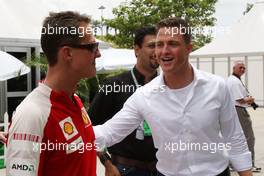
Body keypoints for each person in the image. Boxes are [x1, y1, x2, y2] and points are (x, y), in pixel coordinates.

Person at [94, 17, 253, 176]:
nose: (164, 51)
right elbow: (108, 133)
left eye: (173, 44)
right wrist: (72, 138)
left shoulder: (217, 86)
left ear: (189, 48)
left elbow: (234, 138)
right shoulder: (144, 96)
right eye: (159, 44)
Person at [6, 11, 101, 176]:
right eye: (92, 47)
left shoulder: (75, 100)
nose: (98, 53)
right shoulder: (33, 114)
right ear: (67, 53)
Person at [88, 26, 159, 176]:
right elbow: (89, 128)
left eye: (159, 46)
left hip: (161, 169)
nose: (157, 50)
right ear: (137, 50)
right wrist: (107, 163)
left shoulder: (167, 86)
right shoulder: (113, 85)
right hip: (125, 170)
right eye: (152, 45)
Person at [227, 60, 261, 172]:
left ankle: (234, 164)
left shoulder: (234, 80)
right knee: (249, 138)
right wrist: (250, 99)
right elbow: (240, 100)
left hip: (236, 110)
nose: (242, 69)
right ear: (234, 68)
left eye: (244, 68)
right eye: (240, 67)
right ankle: (249, 165)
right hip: (239, 111)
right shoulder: (234, 82)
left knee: (236, 138)